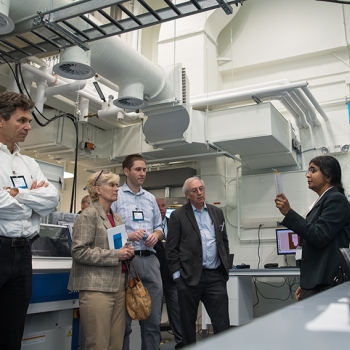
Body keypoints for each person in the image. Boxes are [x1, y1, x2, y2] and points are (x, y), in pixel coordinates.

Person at [0, 91, 59, 350]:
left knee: (12, 330)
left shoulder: (29, 162)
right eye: (21, 121)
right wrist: (31, 203)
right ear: (1, 121)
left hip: (24, 252)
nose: (28, 126)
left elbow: (51, 199)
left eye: (29, 121)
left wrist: (17, 194)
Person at [68, 170, 134, 350]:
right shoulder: (88, 215)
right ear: (97, 189)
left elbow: (117, 247)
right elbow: (79, 252)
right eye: (111, 185)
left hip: (119, 285)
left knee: (115, 344)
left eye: (116, 185)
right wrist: (116, 255)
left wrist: (127, 251)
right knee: (98, 344)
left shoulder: (117, 218)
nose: (116, 189)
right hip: (96, 288)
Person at [166, 176, 230, 347]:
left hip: (215, 276)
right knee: (187, 325)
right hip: (189, 278)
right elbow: (171, 249)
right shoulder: (178, 216)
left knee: (222, 323)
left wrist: (225, 266)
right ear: (187, 194)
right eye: (194, 190)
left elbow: (223, 241)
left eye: (201, 188)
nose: (200, 193)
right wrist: (177, 276)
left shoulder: (216, 212)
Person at [275, 155, 350, 301]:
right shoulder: (323, 201)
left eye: (313, 170)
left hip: (327, 283)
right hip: (317, 282)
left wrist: (289, 213)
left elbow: (319, 236)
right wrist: (306, 284)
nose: (308, 175)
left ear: (328, 176)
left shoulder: (336, 199)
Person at [111, 154, 163, 350]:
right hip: (127, 261)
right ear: (126, 171)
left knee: (153, 321)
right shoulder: (116, 196)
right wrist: (128, 236)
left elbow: (159, 226)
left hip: (150, 261)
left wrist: (156, 236)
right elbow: (109, 230)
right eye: (138, 169)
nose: (142, 173)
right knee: (123, 324)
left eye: (144, 169)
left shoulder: (150, 199)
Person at [154, 198, 183, 349]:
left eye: (163, 205)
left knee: (176, 311)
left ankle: (181, 342)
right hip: (155, 275)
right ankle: (154, 344)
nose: (160, 209)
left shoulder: (174, 222)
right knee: (154, 314)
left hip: (172, 276)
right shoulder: (150, 225)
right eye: (157, 206)